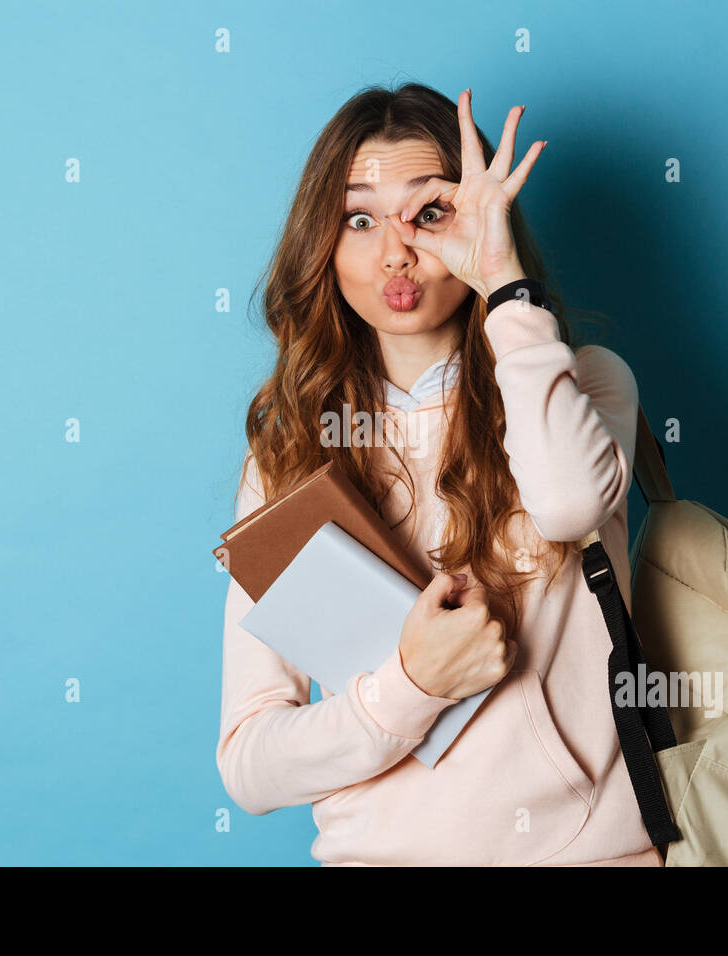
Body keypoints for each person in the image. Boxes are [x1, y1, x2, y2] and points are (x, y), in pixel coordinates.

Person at [216, 81, 660, 866]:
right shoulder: (287, 459)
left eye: (430, 213)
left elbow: (565, 505)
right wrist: (412, 685)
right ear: (322, 244)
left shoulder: (582, 382)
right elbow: (251, 765)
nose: (396, 251)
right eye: (359, 218)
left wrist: (507, 290)